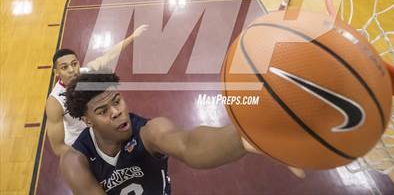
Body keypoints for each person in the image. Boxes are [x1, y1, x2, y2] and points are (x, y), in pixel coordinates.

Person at [60, 72, 304, 194]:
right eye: (103, 111)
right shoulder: (75, 160)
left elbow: (189, 145)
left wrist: (246, 136)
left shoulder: (149, 132)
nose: (116, 112)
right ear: (87, 120)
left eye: (117, 100)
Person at [45, 25, 148, 157]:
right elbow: (58, 147)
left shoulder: (87, 72)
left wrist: (133, 36)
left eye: (74, 64)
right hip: (80, 142)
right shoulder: (54, 102)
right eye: (64, 67)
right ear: (56, 72)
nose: (71, 70)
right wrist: (82, 158)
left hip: (99, 129)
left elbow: (110, 54)